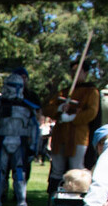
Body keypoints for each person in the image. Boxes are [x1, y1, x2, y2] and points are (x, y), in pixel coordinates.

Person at [0, 72, 41, 206]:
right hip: (3, 139)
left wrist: (34, 146)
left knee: (19, 172)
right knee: (0, 172)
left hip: (20, 141)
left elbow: (34, 127)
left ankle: (21, 202)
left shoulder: (28, 106)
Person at [42, 61, 100, 191]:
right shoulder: (64, 91)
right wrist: (59, 108)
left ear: (85, 73)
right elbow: (47, 108)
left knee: (76, 170)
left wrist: (73, 117)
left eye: (77, 72)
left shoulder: (91, 92)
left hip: (78, 137)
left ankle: (76, 199)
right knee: (57, 168)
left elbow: (91, 112)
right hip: (60, 136)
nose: (73, 75)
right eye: (72, 72)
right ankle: (53, 198)